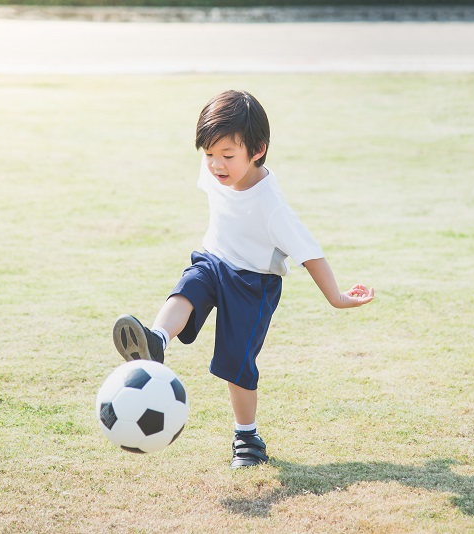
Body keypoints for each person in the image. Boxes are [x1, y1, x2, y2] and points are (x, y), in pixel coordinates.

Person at [112, 90, 374, 469]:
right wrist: (216, 162)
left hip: (253, 283)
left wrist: (336, 297)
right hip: (215, 260)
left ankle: (247, 437)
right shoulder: (214, 171)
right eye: (209, 154)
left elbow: (310, 253)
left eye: (227, 156)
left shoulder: (271, 207)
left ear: (257, 150)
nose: (216, 165)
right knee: (189, 288)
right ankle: (156, 340)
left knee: (236, 363)